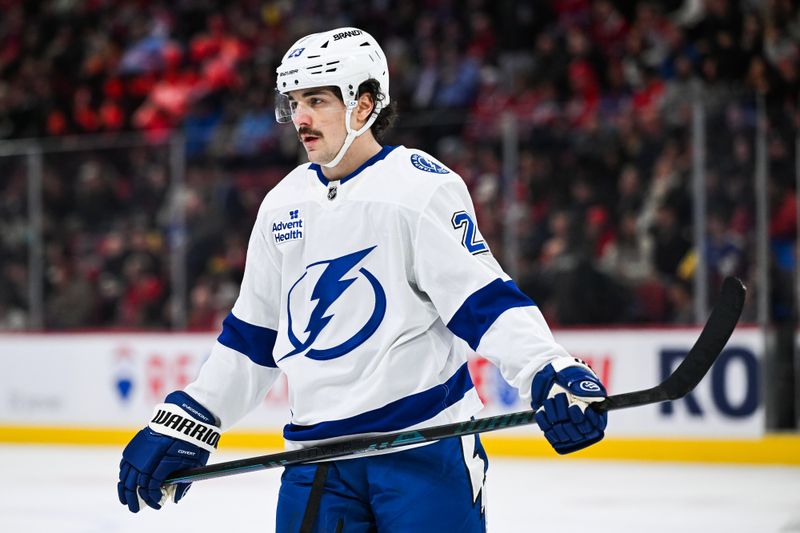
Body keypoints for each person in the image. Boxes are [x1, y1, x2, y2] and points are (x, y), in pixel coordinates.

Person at [117, 27, 608, 531]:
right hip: (316, 460)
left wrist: (549, 370)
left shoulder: (419, 189)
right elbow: (253, 336)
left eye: (317, 100)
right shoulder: (282, 205)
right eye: (294, 102)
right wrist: (192, 416)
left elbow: (482, 301)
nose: (300, 119)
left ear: (365, 103)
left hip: (423, 450)